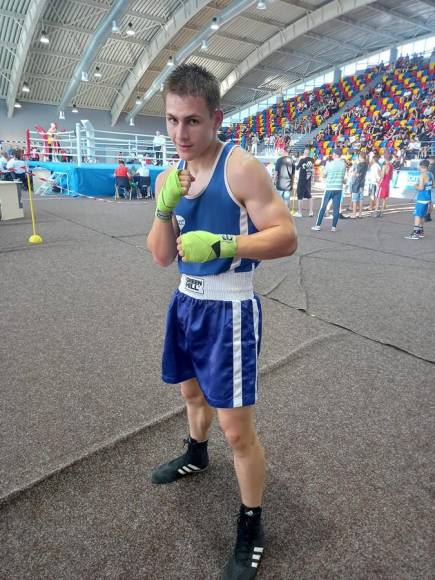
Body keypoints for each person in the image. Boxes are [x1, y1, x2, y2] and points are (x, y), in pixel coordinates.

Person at [146, 63, 297, 579]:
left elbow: (286, 236)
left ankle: (252, 525)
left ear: (216, 118)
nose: (180, 134)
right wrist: (164, 209)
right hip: (184, 303)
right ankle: (195, 452)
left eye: (191, 121)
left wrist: (226, 243)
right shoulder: (170, 175)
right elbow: (161, 257)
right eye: (171, 121)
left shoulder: (240, 167)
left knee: (236, 430)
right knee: (190, 396)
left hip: (229, 307)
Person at [311, 148, 346, 232]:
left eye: (333, 154)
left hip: (330, 187)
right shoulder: (343, 164)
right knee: (336, 208)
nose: (332, 155)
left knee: (323, 207)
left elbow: (323, 175)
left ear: (335, 154)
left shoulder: (329, 164)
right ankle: (333, 227)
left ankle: (318, 225)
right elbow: (343, 177)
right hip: (338, 188)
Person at [405, 159, 433, 239]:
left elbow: (420, 188)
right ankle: (421, 231)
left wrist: (415, 186)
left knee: (417, 215)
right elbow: (433, 186)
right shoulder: (430, 174)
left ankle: (415, 233)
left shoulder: (422, 175)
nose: (419, 169)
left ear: (423, 167)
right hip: (428, 197)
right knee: (422, 215)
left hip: (422, 198)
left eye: (420, 167)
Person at [295, 147, 314, 218]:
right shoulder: (312, 160)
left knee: (300, 196)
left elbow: (297, 168)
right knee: (309, 196)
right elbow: (312, 169)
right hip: (308, 180)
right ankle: (311, 212)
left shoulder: (302, 160)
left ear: (304, 153)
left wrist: (299, 160)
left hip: (302, 180)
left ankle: (299, 212)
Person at [374, 152, 393, 217]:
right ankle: (382, 212)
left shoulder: (385, 166)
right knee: (384, 198)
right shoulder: (391, 165)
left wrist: (378, 172)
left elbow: (382, 176)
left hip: (382, 183)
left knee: (378, 197)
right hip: (387, 183)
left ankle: (376, 211)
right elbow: (391, 176)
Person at [350, 152, 368, 219]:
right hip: (362, 183)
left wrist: (353, 173)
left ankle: (354, 214)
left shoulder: (359, 164)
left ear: (360, 157)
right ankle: (360, 214)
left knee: (354, 199)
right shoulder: (366, 164)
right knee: (361, 199)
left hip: (357, 183)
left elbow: (357, 174)